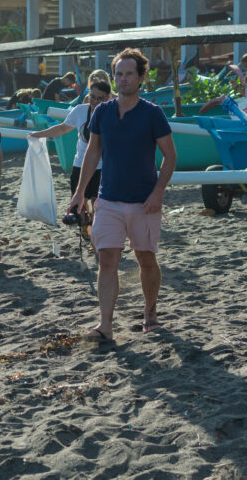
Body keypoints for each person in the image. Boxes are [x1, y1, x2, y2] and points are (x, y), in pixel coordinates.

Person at [68, 48, 177, 342]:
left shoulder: (153, 113)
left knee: (145, 258)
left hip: (144, 202)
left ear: (141, 77)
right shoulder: (102, 111)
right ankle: (105, 325)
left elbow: (170, 157)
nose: (123, 79)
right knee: (106, 260)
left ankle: (150, 312)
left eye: (129, 74)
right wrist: (80, 193)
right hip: (109, 199)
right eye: (118, 73)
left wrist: (158, 193)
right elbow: (93, 152)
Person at [29, 80, 113, 217]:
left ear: (108, 98)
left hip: (103, 167)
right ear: (88, 95)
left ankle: (95, 231)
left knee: (98, 205)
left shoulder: (112, 113)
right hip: (80, 164)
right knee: (80, 206)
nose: (95, 101)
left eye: (100, 98)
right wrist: (38, 134)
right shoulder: (80, 110)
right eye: (93, 97)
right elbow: (62, 128)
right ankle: (86, 227)